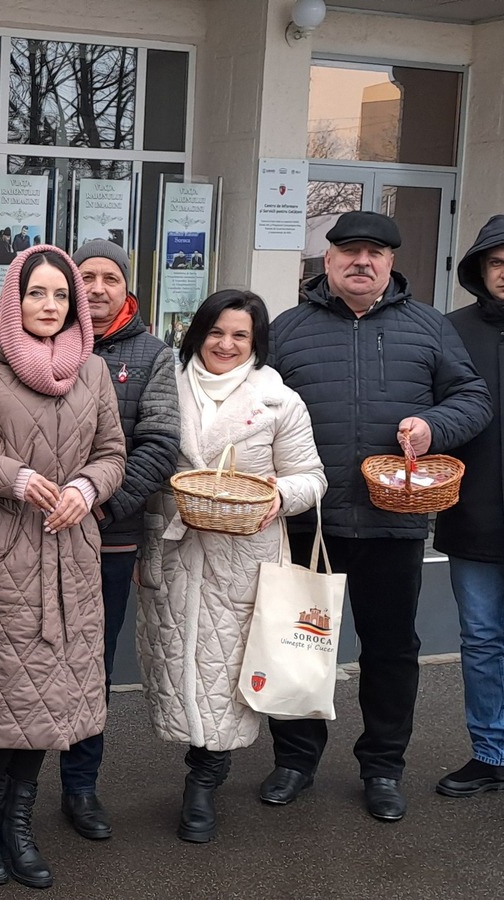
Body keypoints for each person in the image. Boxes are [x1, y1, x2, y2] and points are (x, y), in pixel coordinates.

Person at [265, 211, 492, 822]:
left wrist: (433, 426)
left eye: (375, 253)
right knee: (299, 643)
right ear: (329, 260)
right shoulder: (288, 329)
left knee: (390, 650)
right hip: (309, 520)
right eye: (349, 251)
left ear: (391, 263)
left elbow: (472, 398)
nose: (362, 262)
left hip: (393, 522)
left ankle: (383, 767)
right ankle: (295, 761)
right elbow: (255, 406)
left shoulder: (428, 327)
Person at [0, 244, 126, 889]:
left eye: (60, 294)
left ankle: (18, 824)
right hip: (4, 554)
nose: (48, 305)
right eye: (35, 293)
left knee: (51, 700)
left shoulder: (94, 370)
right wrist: (16, 478)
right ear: (13, 299)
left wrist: (88, 486)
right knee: (7, 698)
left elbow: (113, 453)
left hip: (72, 554)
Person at [137, 289, 326, 843]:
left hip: (244, 559)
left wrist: (279, 495)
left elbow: (311, 477)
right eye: (216, 332)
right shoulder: (165, 386)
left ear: (256, 342)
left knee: (226, 674)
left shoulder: (279, 401)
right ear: (197, 333)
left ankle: (204, 783)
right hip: (174, 550)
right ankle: (194, 764)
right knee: (177, 666)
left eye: (240, 335)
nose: (226, 344)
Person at [58, 240, 180, 840]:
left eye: (110, 277)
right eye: (87, 276)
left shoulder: (153, 355)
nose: (98, 288)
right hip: (36, 532)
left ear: (126, 286)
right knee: (26, 660)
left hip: (108, 534)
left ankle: (80, 785)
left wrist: (104, 504)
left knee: (93, 664)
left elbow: (160, 442)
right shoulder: (42, 342)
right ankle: (9, 783)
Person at [433, 214, 504, 797]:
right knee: (481, 641)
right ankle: (490, 751)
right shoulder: (451, 330)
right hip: (474, 511)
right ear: (480, 269)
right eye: (497, 262)